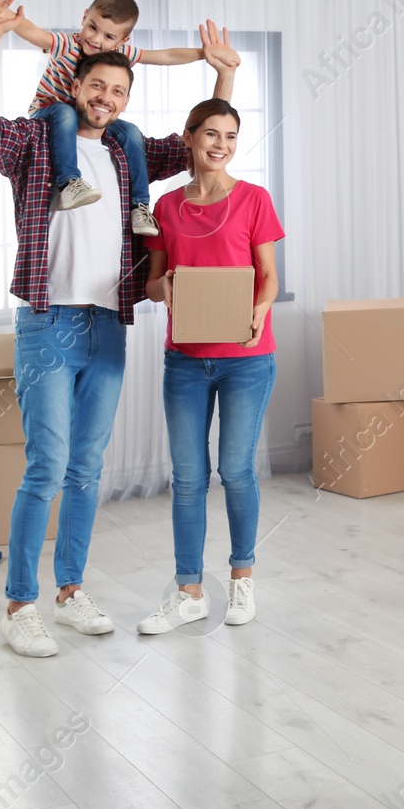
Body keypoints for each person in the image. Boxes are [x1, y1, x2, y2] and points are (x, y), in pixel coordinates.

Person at [0, 0, 238, 658]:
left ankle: (70, 591)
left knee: (86, 467)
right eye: (97, 86)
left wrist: (222, 69)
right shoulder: (34, 144)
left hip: (108, 326)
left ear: (125, 100)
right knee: (47, 465)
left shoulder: (126, 151)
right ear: (75, 84)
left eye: (118, 90)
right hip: (49, 325)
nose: (106, 97)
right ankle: (20, 605)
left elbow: (206, 144)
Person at [135, 99, 283, 634]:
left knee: (236, 470)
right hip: (186, 361)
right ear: (191, 138)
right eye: (211, 134)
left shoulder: (254, 199)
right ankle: (189, 593)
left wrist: (260, 309)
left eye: (230, 136)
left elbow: (268, 276)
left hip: (246, 359)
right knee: (189, 477)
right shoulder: (168, 207)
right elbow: (153, 283)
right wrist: (165, 287)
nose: (220, 145)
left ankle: (242, 579)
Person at [0, 0, 213, 231]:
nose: (96, 39)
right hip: (49, 112)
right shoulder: (68, 44)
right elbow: (35, 32)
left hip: (88, 117)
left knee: (130, 131)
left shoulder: (122, 53)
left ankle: (139, 206)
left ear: (123, 39)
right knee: (65, 112)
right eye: (92, 27)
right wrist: (10, 19)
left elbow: (165, 56)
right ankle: (69, 182)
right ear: (84, 17)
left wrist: (205, 53)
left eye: (109, 36)